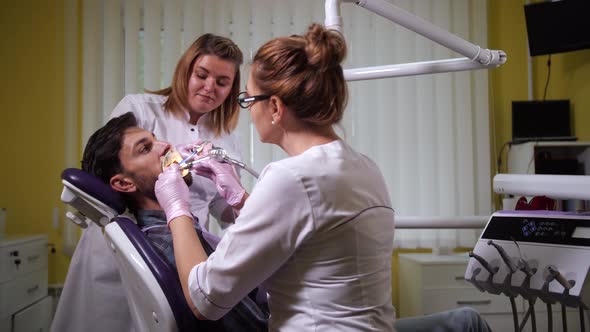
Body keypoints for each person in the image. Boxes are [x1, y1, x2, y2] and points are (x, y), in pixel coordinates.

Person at [156, 24, 493, 332]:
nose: (247, 111)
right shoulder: (362, 166)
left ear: (274, 107)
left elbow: (204, 299)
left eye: (247, 99)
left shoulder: (291, 178)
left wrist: (177, 207)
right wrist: (240, 200)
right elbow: (301, 236)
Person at [51, 33, 244, 332]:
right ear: (185, 71)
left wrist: (236, 193)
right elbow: (104, 170)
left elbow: (227, 213)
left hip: (185, 257)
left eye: (222, 82)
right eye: (202, 75)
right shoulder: (140, 110)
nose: (209, 88)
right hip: (124, 251)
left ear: (232, 88)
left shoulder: (226, 139)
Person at [78, 112, 269, 331]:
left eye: (155, 138)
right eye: (145, 148)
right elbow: (256, 326)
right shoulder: (168, 245)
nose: (166, 146)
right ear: (124, 184)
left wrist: (239, 200)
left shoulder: (168, 232)